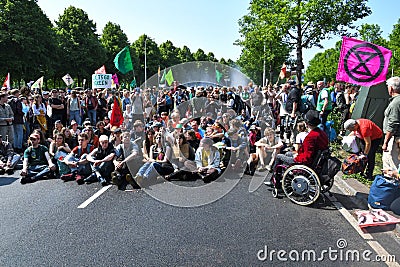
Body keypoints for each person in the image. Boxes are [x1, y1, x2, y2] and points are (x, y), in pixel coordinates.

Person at [265, 110, 329, 186]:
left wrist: (297, 157)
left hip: (305, 162)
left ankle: (275, 181)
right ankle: (284, 176)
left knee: (279, 156)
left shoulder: (311, 137)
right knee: (288, 153)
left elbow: (307, 157)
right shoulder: (322, 133)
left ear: (306, 123)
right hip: (316, 160)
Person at [382, 77, 400, 171]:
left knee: (391, 163)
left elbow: (393, 124)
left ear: (391, 88)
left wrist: (385, 142)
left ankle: (392, 184)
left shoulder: (395, 103)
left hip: (394, 138)